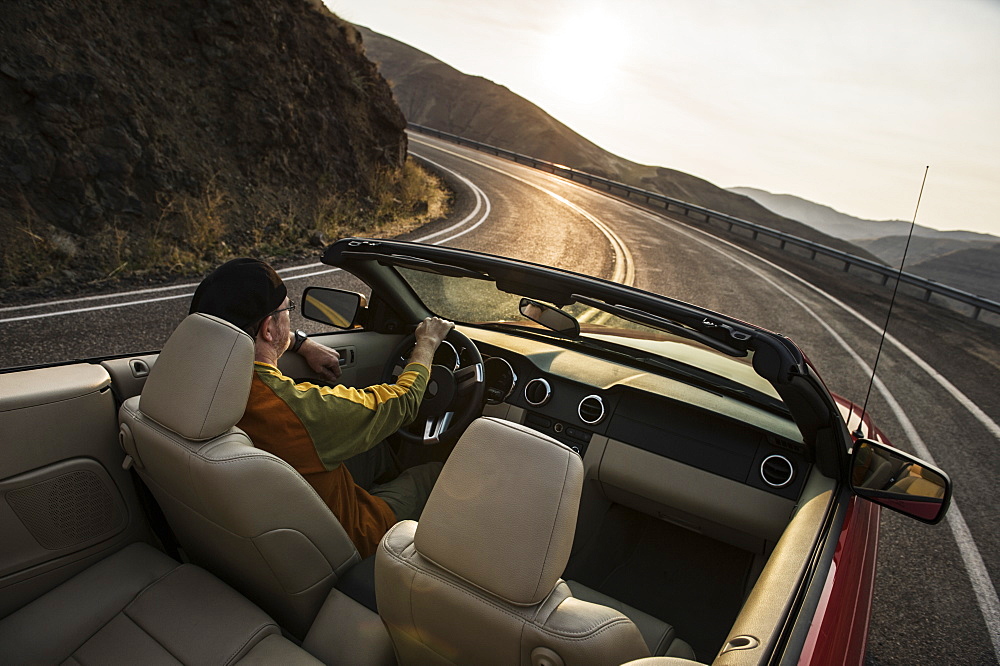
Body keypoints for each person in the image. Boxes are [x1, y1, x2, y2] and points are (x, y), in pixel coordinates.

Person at [189, 257, 453, 557]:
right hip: (356, 534)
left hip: (273, 522)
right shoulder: (296, 409)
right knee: (434, 473)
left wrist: (301, 344)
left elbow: (270, 337)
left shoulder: (198, 386)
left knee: (375, 450)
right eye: (287, 311)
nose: (290, 319)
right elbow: (404, 400)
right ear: (267, 329)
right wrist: (427, 344)